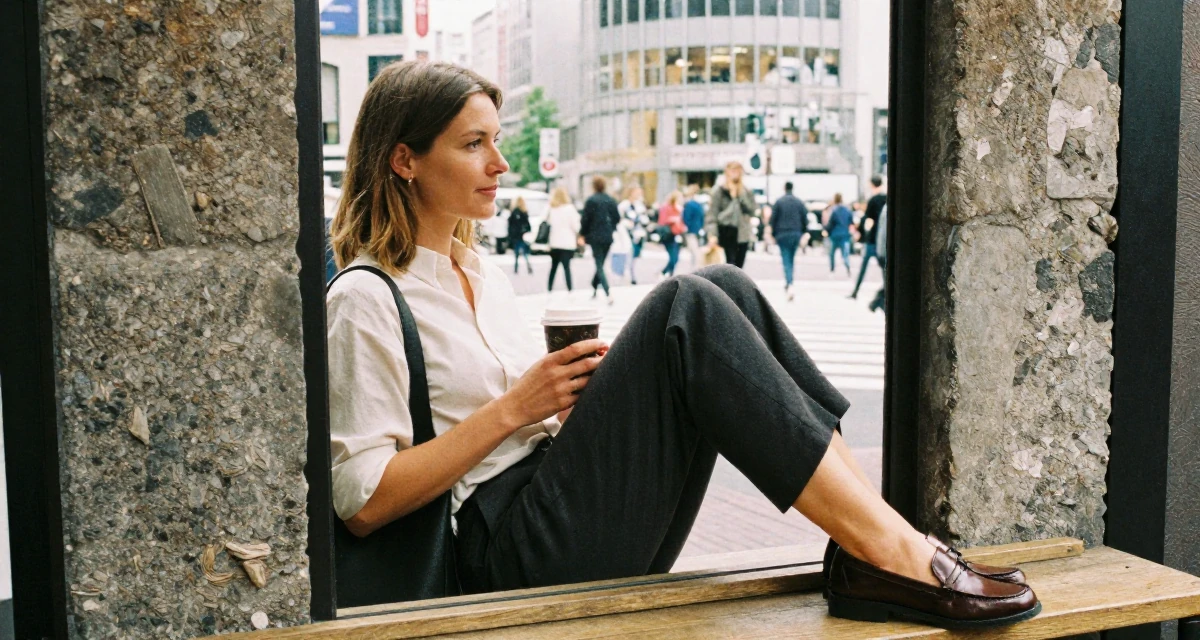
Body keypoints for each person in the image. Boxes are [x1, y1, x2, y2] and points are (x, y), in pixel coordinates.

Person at [326, 61, 1040, 629]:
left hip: (549, 504)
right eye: (473, 143)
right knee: (684, 308)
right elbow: (362, 502)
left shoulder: (483, 272)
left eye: (496, 139)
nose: (500, 163)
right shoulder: (366, 297)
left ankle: (875, 541)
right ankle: (889, 554)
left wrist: (571, 412)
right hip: (495, 556)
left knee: (726, 283)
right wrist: (516, 409)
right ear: (404, 160)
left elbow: (523, 421)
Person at [706, 161, 758, 268]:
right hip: (725, 232)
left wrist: (740, 196)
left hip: (742, 234)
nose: (735, 174)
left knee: (739, 267)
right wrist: (712, 234)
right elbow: (712, 215)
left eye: (738, 171)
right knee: (729, 266)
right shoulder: (719, 191)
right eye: (732, 170)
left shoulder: (746, 191)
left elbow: (752, 210)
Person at [581, 177, 621, 303]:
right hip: (608, 236)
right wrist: (611, 228)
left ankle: (607, 291)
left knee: (599, 264)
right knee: (601, 263)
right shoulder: (610, 200)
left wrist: (582, 234)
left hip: (595, 236)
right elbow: (617, 217)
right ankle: (594, 286)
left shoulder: (591, 201)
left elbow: (585, 220)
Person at [850, 176, 887, 299]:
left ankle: (855, 291)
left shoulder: (873, 200)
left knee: (864, 267)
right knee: (884, 269)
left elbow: (867, 219)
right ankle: (887, 290)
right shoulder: (886, 199)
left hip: (872, 239)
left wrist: (861, 233)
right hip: (883, 238)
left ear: (872, 185)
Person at [770, 182, 808, 301]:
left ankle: (789, 282)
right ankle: (790, 281)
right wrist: (803, 232)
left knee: (786, 259)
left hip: (782, 234)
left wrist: (773, 234)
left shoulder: (779, 202)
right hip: (795, 233)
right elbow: (805, 219)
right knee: (791, 258)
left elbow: (773, 219)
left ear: (784, 188)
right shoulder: (799, 202)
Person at [544, 186, 580, 292]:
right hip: (567, 243)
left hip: (554, 242)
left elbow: (546, 223)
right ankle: (570, 289)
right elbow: (576, 226)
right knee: (567, 268)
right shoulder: (570, 209)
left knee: (553, 267)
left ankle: (549, 289)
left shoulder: (551, 208)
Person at [617, 187, 648, 285]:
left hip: (639, 234)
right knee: (628, 254)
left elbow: (644, 218)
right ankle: (628, 276)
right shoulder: (624, 205)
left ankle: (631, 273)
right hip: (627, 233)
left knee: (635, 255)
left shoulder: (640, 205)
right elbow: (618, 218)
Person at [657, 191, 686, 279]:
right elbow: (662, 221)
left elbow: (681, 222)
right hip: (668, 235)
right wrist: (672, 219)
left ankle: (670, 274)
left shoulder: (679, 209)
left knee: (676, 258)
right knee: (673, 257)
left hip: (677, 235)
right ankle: (665, 273)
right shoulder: (666, 208)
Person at [824, 193, 854, 276]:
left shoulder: (833, 210)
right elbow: (851, 222)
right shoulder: (847, 210)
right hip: (845, 235)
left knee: (832, 253)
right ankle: (847, 266)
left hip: (834, 235)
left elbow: (830, 223)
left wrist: (826, 230)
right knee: (845, 254)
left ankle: (832, 268)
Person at [681, 185, 705, 270]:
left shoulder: (692, 204)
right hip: (695, 230)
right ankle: (696, 268)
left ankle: (696, 268)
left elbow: (686, 217)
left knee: (696, 251)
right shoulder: (696, 204)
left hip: (694, 230)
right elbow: (687, 217)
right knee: (696, 251)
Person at [508, 196, 533, 275]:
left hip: (516, 236)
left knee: (517, 253)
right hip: (523, 235)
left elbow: (510, 225)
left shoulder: (514, 212)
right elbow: (528, 225)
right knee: (525, 252)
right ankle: (528, 266)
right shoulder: (524, 212)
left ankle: (516, 268)